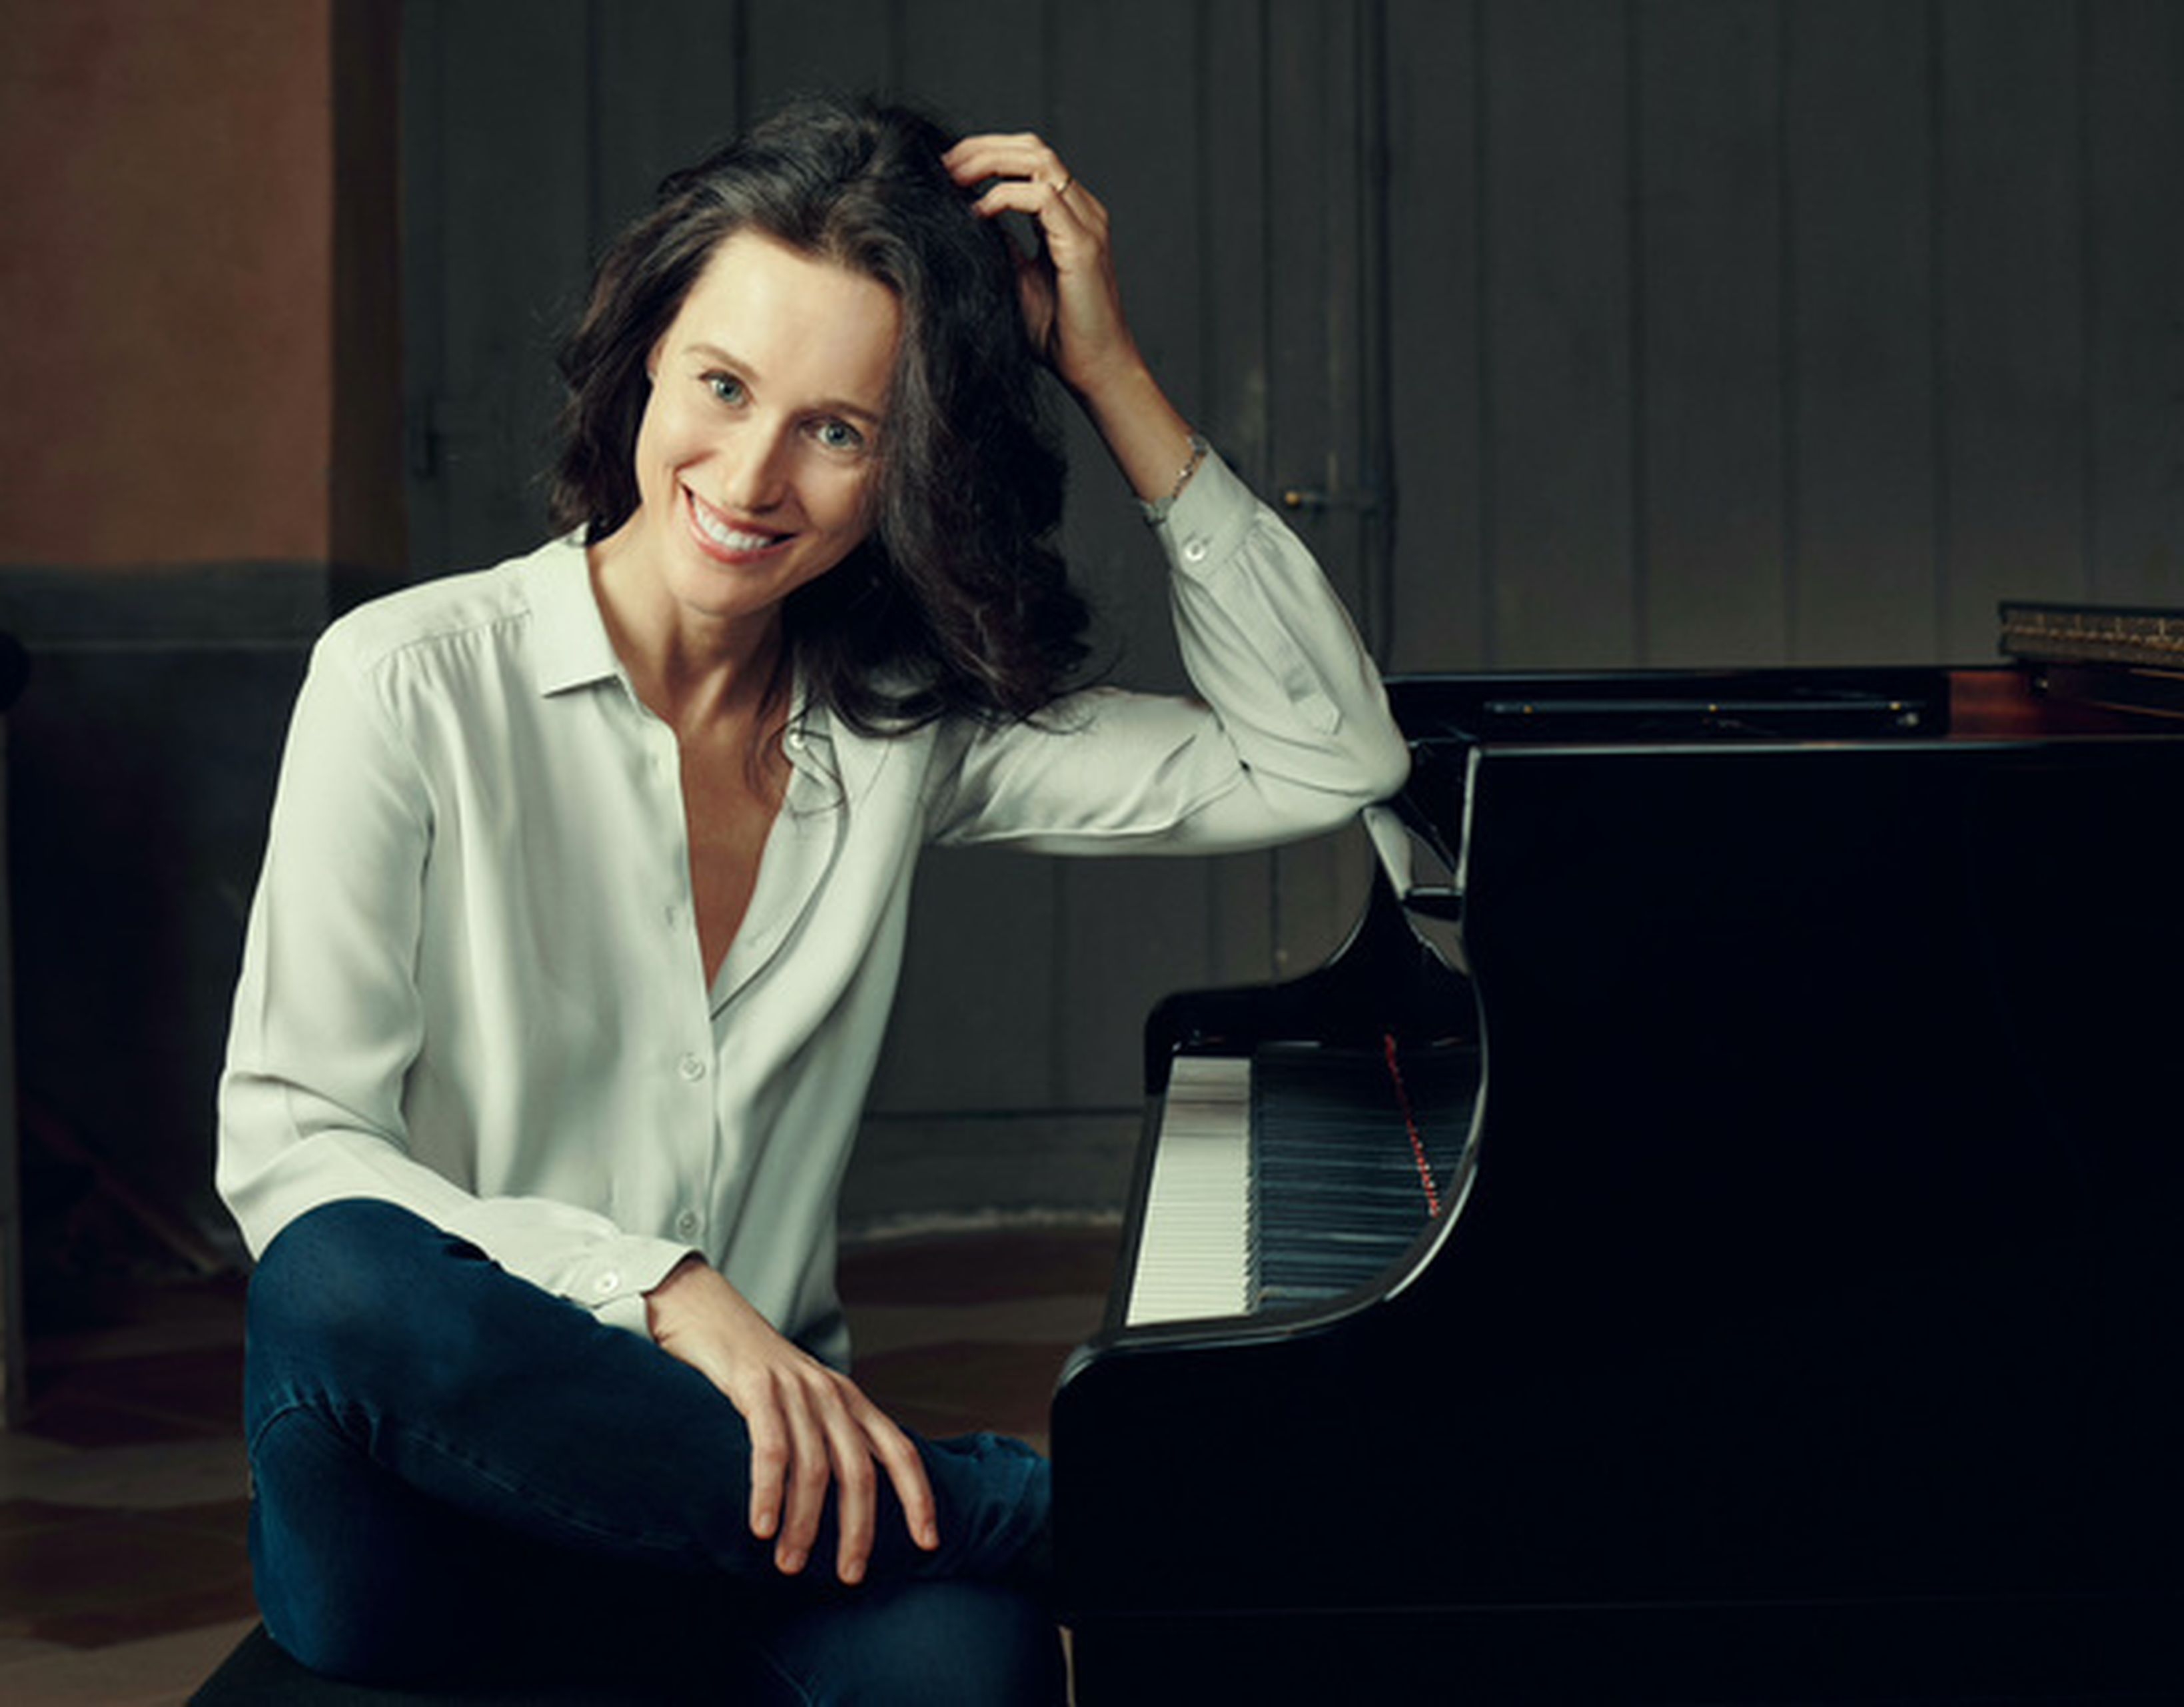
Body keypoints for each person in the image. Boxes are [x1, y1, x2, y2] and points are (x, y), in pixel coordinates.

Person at [216, 98, 1406, 1704]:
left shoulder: (899, 733)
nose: (752, 475)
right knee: (337, 1276)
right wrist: (660, 1289)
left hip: (747, 1517)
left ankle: (987, 1535)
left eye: (838, 431)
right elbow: (293, 1152)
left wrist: (1110, 374)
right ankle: (1032, 1513)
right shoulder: (406, 682)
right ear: (649, 357)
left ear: (905, 465)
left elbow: (1328, 756)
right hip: (433, 1524)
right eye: (723, 386)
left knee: (974, 1668)